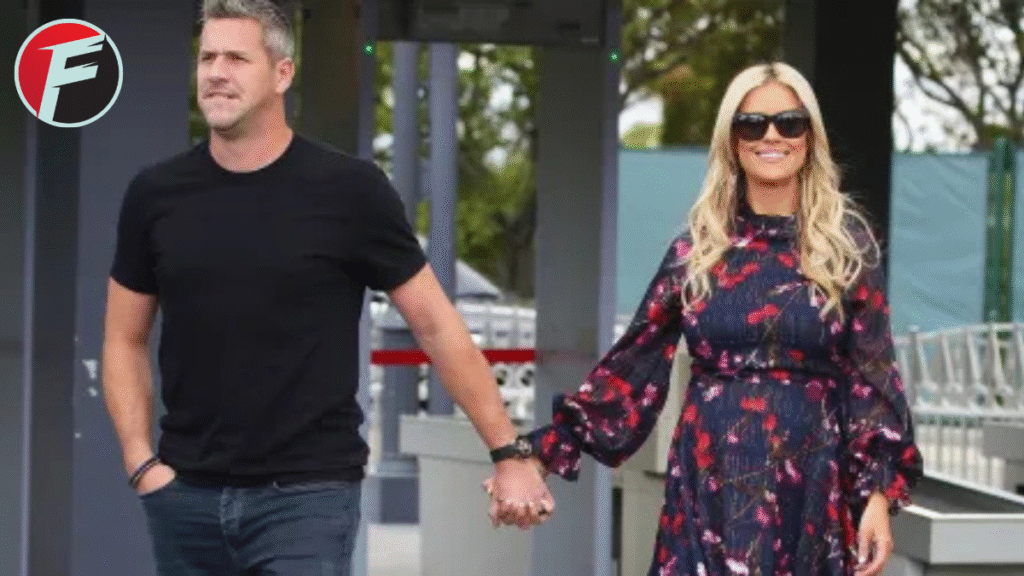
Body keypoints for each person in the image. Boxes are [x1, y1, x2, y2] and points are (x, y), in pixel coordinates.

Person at [100, 1, 552, 574]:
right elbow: (124, 338)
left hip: (307, 500)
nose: (215, 72)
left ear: (282, 73)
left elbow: (436, 324)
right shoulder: (155, 195)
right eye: (207, 57)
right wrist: (141, 463)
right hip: (185, 498)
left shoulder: (351, 191)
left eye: (236, 58)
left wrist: (508, 452)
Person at [489, 61, 924, 576]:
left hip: (810, 489)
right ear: (732, 141)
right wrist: (537, 455)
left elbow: (873, 381)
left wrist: (876, 498)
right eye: (752, 124)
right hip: (709, 483)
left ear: (810, 137)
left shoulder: (846, 248)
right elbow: (631, 369)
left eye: (789, 123)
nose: (771, 136)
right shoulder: (697, 251)